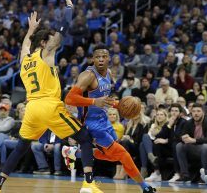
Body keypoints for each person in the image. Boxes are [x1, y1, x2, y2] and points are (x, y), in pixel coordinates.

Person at [0, 0, 100, 193]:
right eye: (49, 39)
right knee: (85, 138)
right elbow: (63, 29)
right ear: (44, 42)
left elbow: (24, 46)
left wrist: (30, 29)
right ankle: (88, 184)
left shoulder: (25, 59)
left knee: (21, 147)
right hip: (49, 105)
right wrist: (69, 8)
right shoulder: (45, 53)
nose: (52, 42)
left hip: (31, 108)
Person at [64, 44, 156, 193]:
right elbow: (69, 98)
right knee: (123, 154)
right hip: (90, 123)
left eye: (104, 56)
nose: (100, 59)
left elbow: (104, 100)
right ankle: (144, 187)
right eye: (97, 57)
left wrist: (119, 104)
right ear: (93, 59)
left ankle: (74, 153)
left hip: (104, 120)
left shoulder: (109, 74)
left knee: (114, 157)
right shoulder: (88, 75)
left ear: (110, 59)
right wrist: (94, 102)